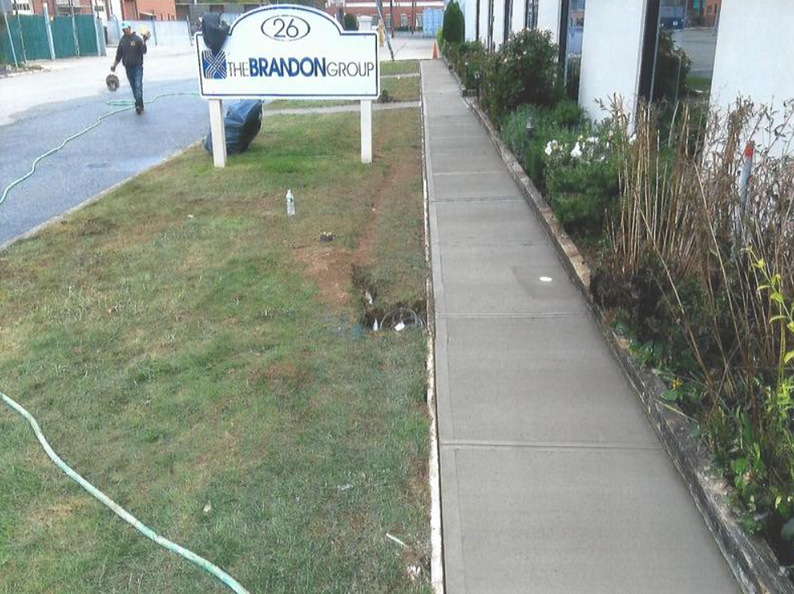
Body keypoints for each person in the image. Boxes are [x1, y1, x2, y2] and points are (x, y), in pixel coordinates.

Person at [111, 22, 150, 114]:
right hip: (128, 68)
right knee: (134, 87)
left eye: (125, 28)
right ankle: (139, 103)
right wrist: (114, 65)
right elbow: (119, 55)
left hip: (137, 67)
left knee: (138, 85)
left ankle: (138, 105)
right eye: (123, 29)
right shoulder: (122, 41)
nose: (124, 30)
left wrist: (144, 42)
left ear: (129, 28)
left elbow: (144, 51)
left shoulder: (137, 39)